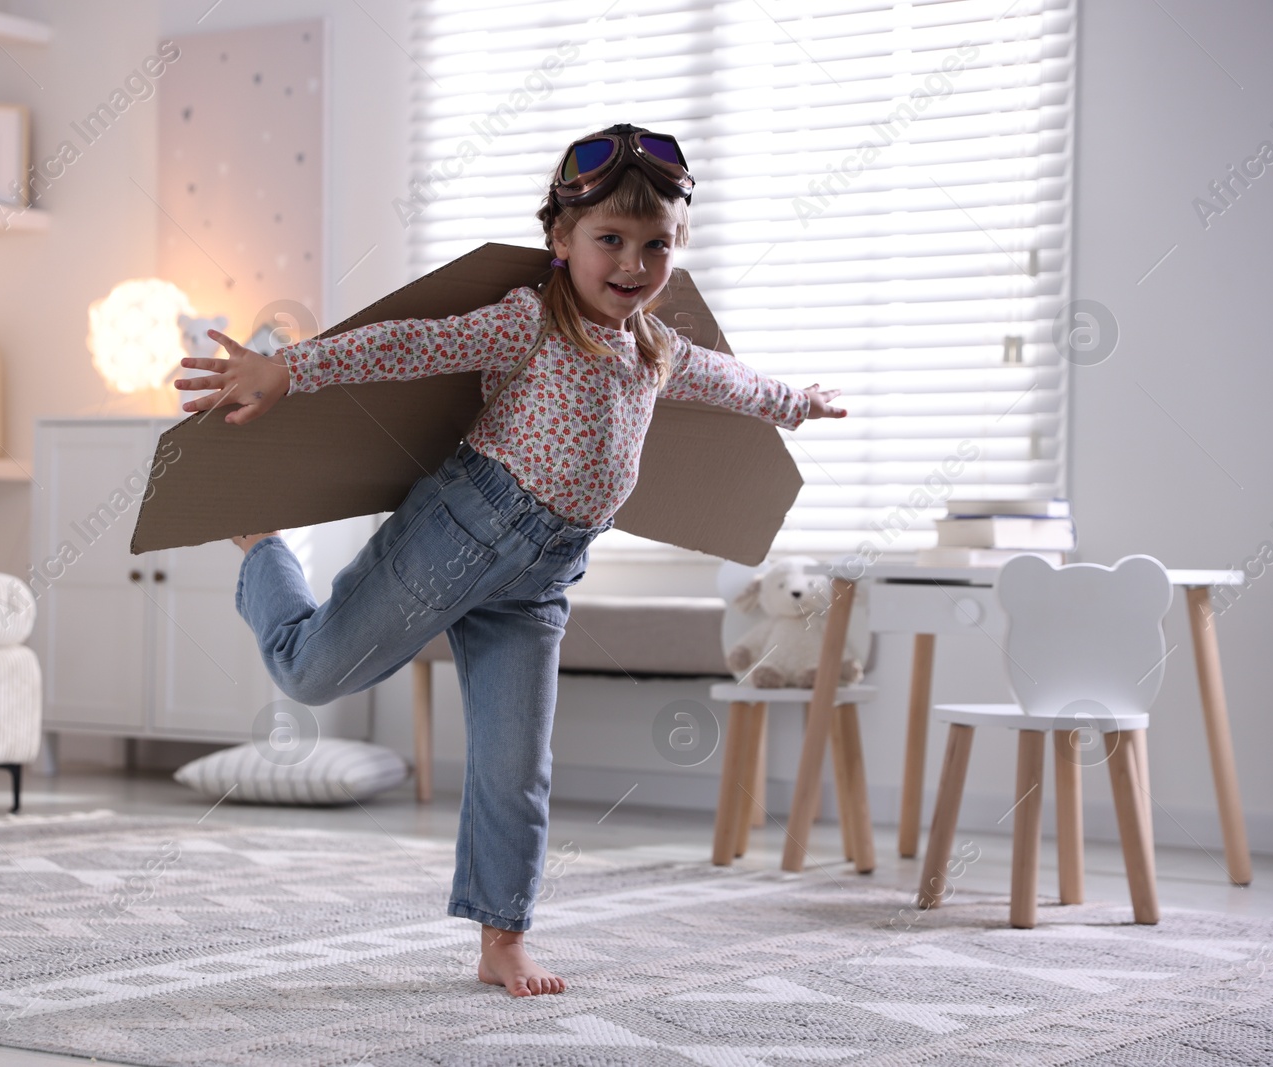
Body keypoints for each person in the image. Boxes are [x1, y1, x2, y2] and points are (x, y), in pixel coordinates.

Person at [174, 124, 847, 997]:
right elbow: (407, 345)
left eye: (657, 245)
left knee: (514, 765)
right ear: (561, 241)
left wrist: (796, 402)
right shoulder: (529, 324)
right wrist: (288, 371)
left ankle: (502, 938)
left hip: (541, 583)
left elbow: (729, 381)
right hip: (457, 538)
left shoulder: (656, 349)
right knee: (307, 674)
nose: (634, 263)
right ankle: (262, 546)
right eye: (610, 239)